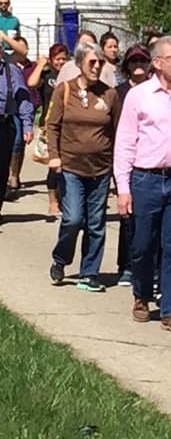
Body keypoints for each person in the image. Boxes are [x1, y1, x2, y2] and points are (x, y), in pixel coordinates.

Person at [113, 36, 171, 332]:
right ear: (157, 62)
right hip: (145, 179)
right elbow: (125, 143)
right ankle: (141, 294)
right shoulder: (139, 96)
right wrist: (123, 189)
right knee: (142, 245)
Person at [45, 42, 121, 292]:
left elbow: (118, 131)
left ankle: (89, 273)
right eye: (92, 62)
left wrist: (117, 167)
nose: (97, 66)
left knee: (96, 223)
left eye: (100, 62)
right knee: (73, 218)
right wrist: (55, 156)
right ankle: (61, 259)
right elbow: (53, 125)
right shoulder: (64, 90)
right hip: (71, 167)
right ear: (79, 64)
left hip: (100, 169)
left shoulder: (109, 94)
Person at [114, 45, 153, 285]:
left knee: (151, 219)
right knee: (128, 215)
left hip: (150, 161)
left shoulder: (154, 91)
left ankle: (151, 266)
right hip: (125, 159)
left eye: (142, 60)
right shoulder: (117, 93)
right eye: (133, 60)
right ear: (126, 65)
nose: (138, 64)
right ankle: (126, 265)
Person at [22, 43, 69, 217]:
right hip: (49, 125)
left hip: (69, 124)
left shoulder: (71, 75)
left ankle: (63, 197)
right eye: (57, 59)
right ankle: (53, 201)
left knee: (66, 164)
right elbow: (31, 83)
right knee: (53, 163)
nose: (61, 62)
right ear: (51, 59)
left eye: (64, 58)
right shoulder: (47, 75)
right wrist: (41, 64)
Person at [0, 43, 35, 214]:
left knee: (1, 171)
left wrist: (27, 125)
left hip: (5, 123)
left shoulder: (11, 70)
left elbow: (23, 98)